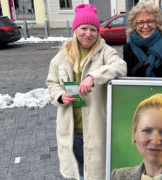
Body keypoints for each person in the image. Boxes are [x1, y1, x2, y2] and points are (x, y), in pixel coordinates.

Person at [46, 4, 126, 180]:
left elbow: (120, 66)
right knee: (79, 172)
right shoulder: (62, 54)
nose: (88, 34)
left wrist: (93, 77)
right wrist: (60, 95)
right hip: (71, 127)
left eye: (93, 29)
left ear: (98, 32)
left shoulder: (104, 51)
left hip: (96, 128)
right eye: (83, 28)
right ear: (75, 30)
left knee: (98, 173)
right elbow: (52, 82)